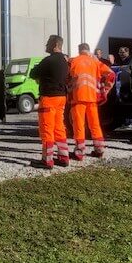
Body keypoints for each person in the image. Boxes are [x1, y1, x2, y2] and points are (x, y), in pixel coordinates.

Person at [68, 43, 115, 161]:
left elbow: (66, 77)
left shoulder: (73, 61)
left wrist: (68, 88)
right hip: (92, 98)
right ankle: (99, 149)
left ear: (79, 51)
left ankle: (80, 151)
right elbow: (111, 74)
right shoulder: (95, 62)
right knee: (94, 124)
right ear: (89, 51)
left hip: (78, 97)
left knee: (79, 124)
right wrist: (105, 90)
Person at [29, 35, 69, 169]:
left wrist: (37, 70)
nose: (46, 46)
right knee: (59, 128)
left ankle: (47, 160)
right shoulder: (64, 61)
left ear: (55, 44)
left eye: (48, 43)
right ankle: (64, 157)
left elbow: (33, 74)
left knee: (47, 129)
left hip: (49, 98)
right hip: (61, 97)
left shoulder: (48, 60)